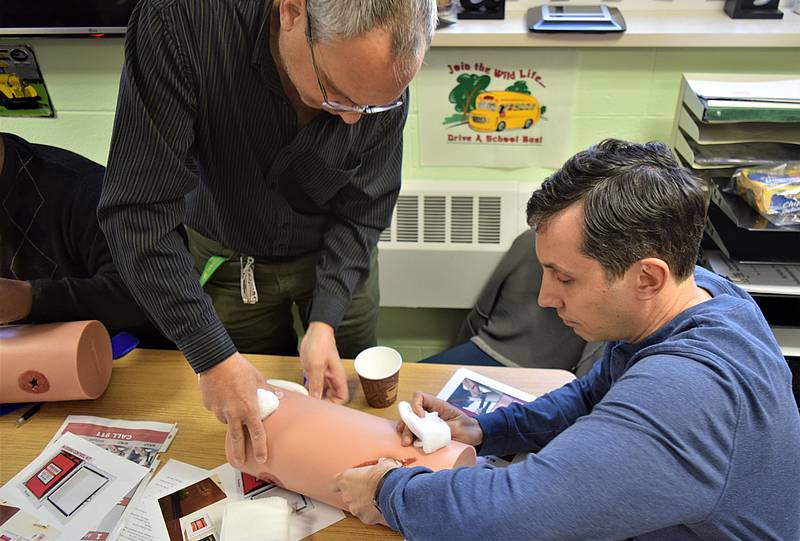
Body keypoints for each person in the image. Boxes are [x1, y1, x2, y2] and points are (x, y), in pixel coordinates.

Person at [334, 139, 800, 540]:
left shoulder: (685, 396)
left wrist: (385, 490)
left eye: (565, 278)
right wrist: (487, 429)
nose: (544, 298)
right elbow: (592, 395)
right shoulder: (702, 293)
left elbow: (508, 518)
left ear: (648, 278)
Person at [98, 0, 437, 468]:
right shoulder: (181, 22)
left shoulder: (377, 68)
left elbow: (365, 210)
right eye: (336, 92)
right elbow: (137, 210)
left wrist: (325, 321)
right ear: (293, 13)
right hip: (231, 256)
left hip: (335, 253)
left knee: (353, 398)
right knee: (252, 404)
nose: (354, 119)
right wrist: (213, 358)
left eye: (374, 104)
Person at [0, 132, 155, 337]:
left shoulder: (88, 190)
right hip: (22, 359)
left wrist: (29, 298)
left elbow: (145, 294)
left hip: (130, 355)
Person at [420, 229, 603, 376]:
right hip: (547, 373)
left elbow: (482, 312)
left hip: (492, 351)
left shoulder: (532, 238)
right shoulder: (536, 239)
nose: (545, 299)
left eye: (563, 278)